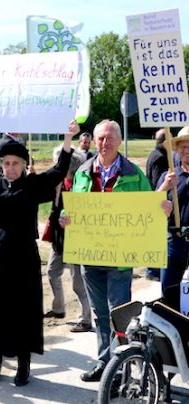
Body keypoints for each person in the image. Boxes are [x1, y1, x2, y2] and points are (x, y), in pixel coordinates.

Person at [0, 116, 78, 387]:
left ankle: (23, 364)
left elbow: (58, 170)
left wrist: (68, 139)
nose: (10, 168)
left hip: (22, 256)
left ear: (24, 164)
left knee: (23, 309)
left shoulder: (32, 186)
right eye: (6, 163)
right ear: (0, 165)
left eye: (15, 163)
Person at [62, 119, 170, 383]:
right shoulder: (83, 172)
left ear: (119, 141)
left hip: (120, 260)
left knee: (118, 313)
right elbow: (74, 208)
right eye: (100, 138)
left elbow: (149, 209)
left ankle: (119, 368)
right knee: (99, 313)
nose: (104, 142)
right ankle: (104, 362)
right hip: (90, 257)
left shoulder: (134, 174)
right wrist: (67, 217)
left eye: (110, 138)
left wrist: (161, 209)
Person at [42, 145, 92, 333]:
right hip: (59, 238)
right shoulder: (59, 182)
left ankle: (86, 319)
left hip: (75, 238)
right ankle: (59, 308)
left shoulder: (80, 183)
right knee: (52, 272)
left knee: (78, 283)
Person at [156, 126, 189, 296]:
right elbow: (151, 206)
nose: (187, 151)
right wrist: (165, 187)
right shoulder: (168, 176)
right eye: (183, 147)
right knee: (168, 294)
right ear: (176, 150)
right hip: (173, 242)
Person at [146, 129, 169, 281]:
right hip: (157, 199)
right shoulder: (160, 157)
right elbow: (157, 180)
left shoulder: (154, 153)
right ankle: (153, 270)